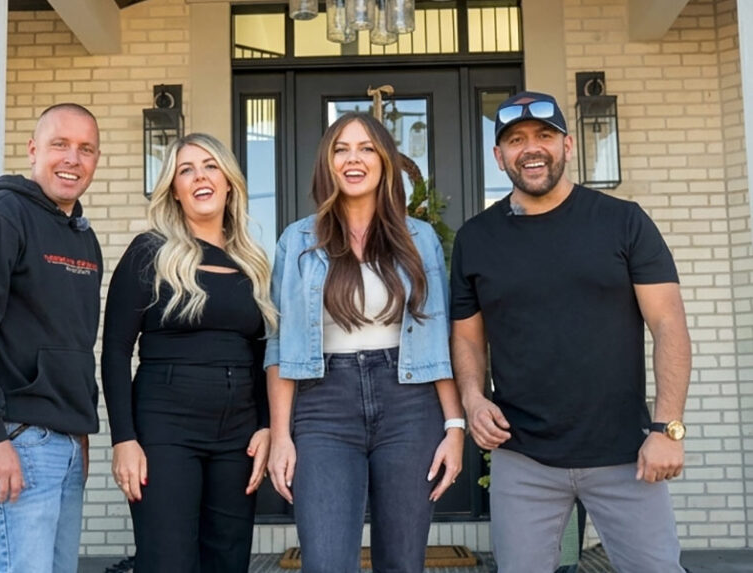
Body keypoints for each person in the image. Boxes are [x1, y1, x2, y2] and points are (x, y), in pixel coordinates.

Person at [450, 91, 691, 573]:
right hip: (523, 457)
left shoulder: (623, 222)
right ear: (499, 157)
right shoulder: (475, 238)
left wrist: (667, 428)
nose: (531, 148)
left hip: (625, 453)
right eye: (515, 140)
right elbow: (468, 337)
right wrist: (474, 400)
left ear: (568, 146)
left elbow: (669, 324)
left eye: (544, 136)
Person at [266, 112, 465, 572]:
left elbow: (439, 337)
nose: (353, 159)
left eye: (366, 148)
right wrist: (281, 435)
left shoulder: (421, 239)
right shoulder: (296, 240)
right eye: (341, 149)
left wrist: (454, 428)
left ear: (384, 162)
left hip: (409, 404)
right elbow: (280, 345)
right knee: (327, 561)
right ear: (327, 163)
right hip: (323, 405)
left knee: (402, 561)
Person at [0, 103, 103, 572]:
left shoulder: (81, 238)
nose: (73, 158)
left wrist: (80, 431)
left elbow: (75, 343)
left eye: (85, 149)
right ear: (33, 151)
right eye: (60, 145)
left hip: (64, 443)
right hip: (15, 437)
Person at [101, 133, 276, 572]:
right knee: (168, 562)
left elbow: (262, 355)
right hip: (165, 430)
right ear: (174, 190)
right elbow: (116, 351)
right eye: (186, 170)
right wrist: (124, 439)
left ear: (229, 182)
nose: (200, 176)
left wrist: (267, 424)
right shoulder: (150, 252)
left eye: (210, 166)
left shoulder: (252, 262)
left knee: (228, 558)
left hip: (238, 436)